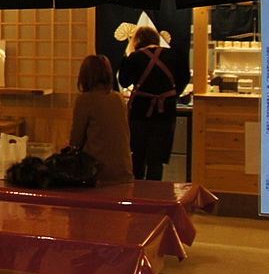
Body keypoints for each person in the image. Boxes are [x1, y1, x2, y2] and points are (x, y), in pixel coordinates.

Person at [117, 26, 190, 181]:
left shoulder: (135, 57)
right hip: (166, 110)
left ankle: (136, 193)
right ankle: (154, 194)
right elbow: (184, 78)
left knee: (138, 155)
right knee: (157, 159)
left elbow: (123, 81)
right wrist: (173, 95)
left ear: (137, 40)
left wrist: (125, 58)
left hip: (140, 110)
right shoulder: (174, 56)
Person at [69, 54, 133, 185]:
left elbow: (76, 139)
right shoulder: (118, 98)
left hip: (97, 171)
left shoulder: (85, 99)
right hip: (124, 170)